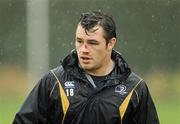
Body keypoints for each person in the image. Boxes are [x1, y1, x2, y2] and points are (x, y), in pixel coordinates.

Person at [13, 11, 159, 124]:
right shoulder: (53, 81)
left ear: (111, 43)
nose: (84, 49)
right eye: (79, 41)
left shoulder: (135, 88)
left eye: (92, 43)